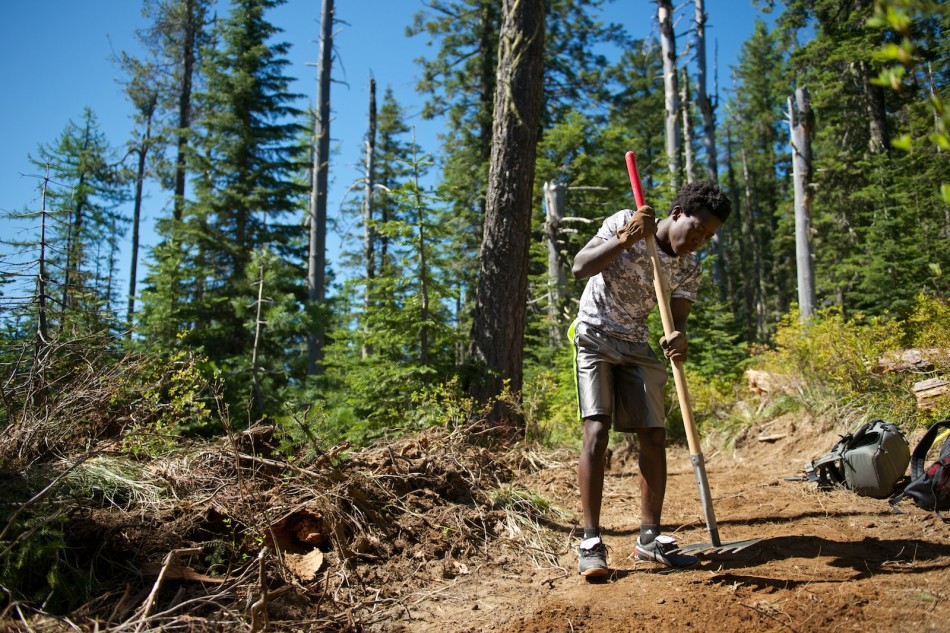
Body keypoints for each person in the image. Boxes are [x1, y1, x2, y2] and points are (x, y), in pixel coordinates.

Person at [569, 181, 731, 577]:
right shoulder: (626, 221)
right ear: (676, 213)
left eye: (708, 236)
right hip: (594, 335)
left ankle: (649, 539)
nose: (699, 241)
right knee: (597, 429)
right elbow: (580, 267)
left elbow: (676, 320)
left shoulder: (690, 265)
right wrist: (626, 239)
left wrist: (678, 336)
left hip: (636, 344)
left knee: (654, 434)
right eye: (696, 229)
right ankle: (591, 540)